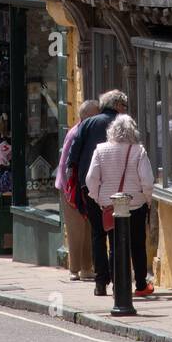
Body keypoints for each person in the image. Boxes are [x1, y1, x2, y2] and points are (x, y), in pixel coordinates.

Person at [66, 89, 128, 295]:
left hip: (90, 186)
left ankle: (101, 282)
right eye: (124, 105)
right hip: (118, 187)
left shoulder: (87, 123)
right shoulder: (123, 123)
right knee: (116, 232)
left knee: (98, 233)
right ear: (118, 105)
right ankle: (118, 279)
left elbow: (72, 157)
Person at [85, 115, 155, 298]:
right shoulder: (138, 151)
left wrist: (97, 198)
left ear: (112, 131)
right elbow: (147, 180)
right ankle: (140, 285)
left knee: (114, 246)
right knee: (137, 245)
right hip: (136, 204)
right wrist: (148, 199)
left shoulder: (100, 150)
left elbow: (91, 178)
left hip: (110, 205)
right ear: (133, 131)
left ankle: (118, 286)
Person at [55, 99, 98, 281]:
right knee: (76, 229)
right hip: (70, 188)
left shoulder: (88, 131)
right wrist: (68, 190)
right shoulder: (75, 133)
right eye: (97, 114)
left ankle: (87, 268)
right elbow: (65, 163)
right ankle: (75, 269)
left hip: (84, 187)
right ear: (88, 116)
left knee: (88, 228)